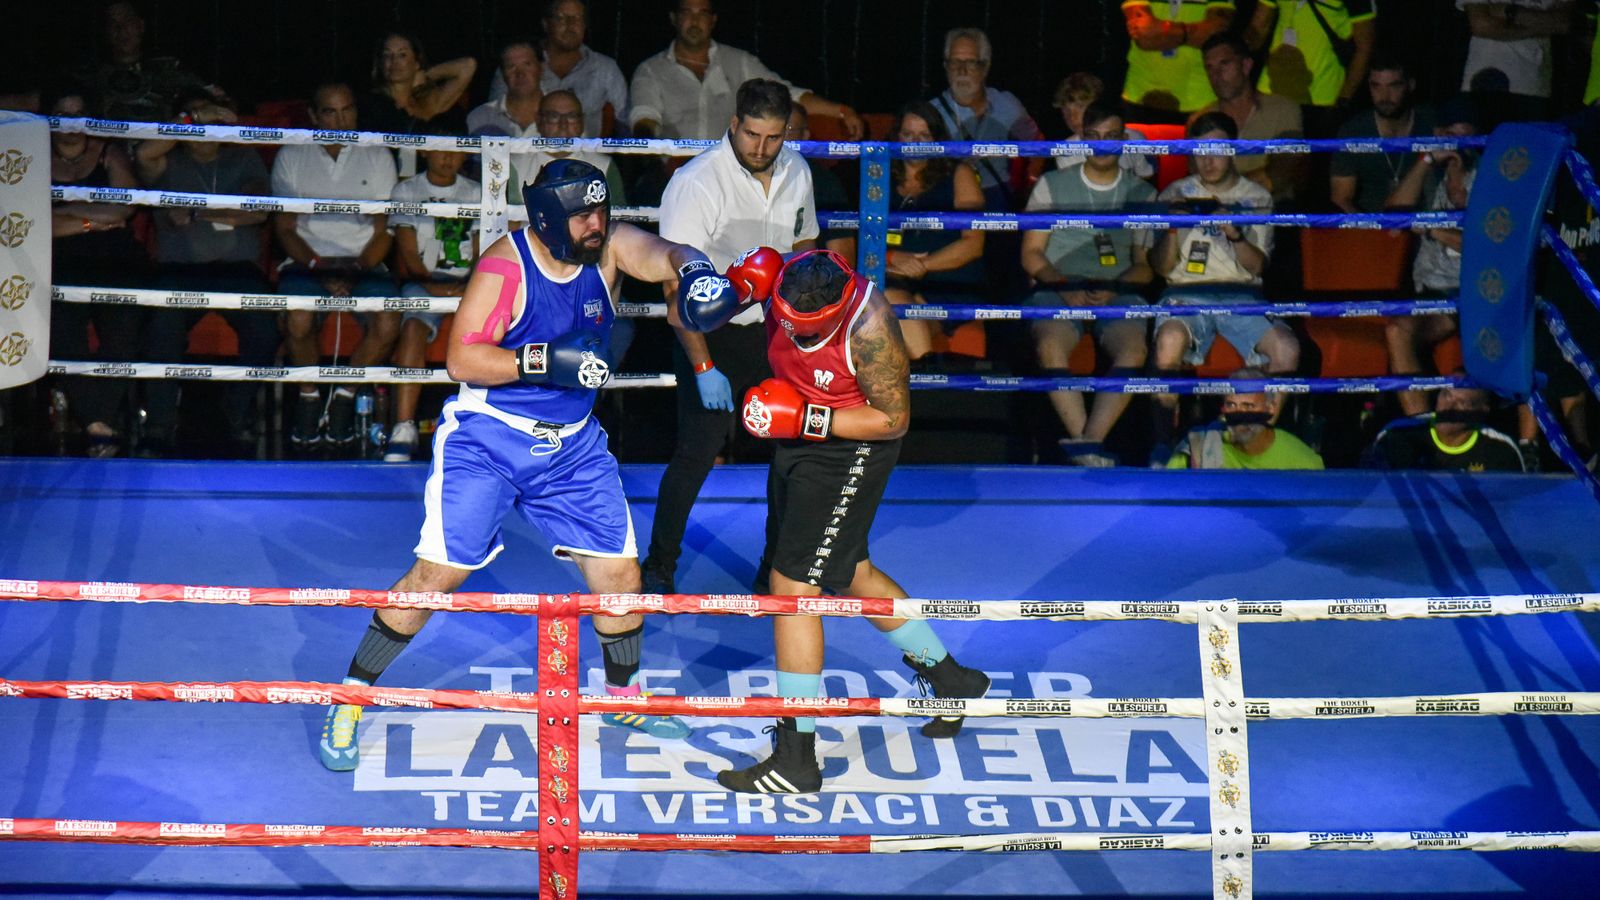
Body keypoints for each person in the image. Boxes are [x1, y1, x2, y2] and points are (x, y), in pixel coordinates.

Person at [319, 159, 715, 771]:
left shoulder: (604, 246)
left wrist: (694, 271)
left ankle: (623, 696)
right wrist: (543, 361)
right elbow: (461, 359)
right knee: (436, 578)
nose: (596, 224)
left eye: (600, 211)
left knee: (620, 577)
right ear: (549, 219)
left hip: (573, 445)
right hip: (490, 439)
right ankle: (350, 697)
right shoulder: (506, 266)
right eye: (582, 214)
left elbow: (662, 250)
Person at [677, 248, 991, 794]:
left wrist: (807, 417)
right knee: (850, 573)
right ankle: (952, 679)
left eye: (807, 332)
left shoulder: (870, 326)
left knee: (793, 586)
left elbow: (892, 420)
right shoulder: (777, 277)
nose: (796, 338)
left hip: (851, 447)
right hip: (796, 436)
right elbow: (694, 316)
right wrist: (715, 299)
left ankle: (797, 756)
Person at [638, 80, 819, 595]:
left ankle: (776, 571)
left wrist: (804, 327)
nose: (760, 149)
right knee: (696, 452)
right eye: (752, 135)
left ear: (787, 131)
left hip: (775, 334)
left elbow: (805, 242)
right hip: (711, 333)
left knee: (792, 455)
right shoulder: (696, 183)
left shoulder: (797, 171)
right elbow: (677, 286)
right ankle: (659, 567)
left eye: (773, 137)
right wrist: (702, 365)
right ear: (734, 124)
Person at [133, 89, 278, 458]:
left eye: (211, 118)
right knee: (161, 326)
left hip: (237, 272)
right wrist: (192, 120)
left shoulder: (243, 158)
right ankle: (160, 425)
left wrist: (198, 212)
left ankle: (234, 415)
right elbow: (143, 153)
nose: (204, 125)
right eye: (194, 118)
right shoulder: (167, 162)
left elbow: (257, 212)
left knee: (264, 327)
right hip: (179, 271)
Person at [1150, 112, 1298, 462]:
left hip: (1242, 294)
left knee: (1286, 348)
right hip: (1184, 293)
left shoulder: (1256, 196)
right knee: (1169, 340)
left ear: (1233, 149)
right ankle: (1162, 447)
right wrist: (1172, 229)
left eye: (1216, 149)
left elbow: (1258, 266)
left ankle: (1262, 446)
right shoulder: (1175, 193)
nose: (1208, 160)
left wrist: (1235, 232)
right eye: (1200, 150)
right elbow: (1160, 268)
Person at [1023, 103, 1156, 467]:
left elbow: (1145, 267)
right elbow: (1032, 254)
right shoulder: (1053, 184)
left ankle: (1088, 442)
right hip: (1058, 287)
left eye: (1110, 137)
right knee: (1050, 345)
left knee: (1134, 351)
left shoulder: (1143, 195)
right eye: (1093, 137)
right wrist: (1064, 287)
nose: (1101, 146)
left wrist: (1115, 289)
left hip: (1117, 292)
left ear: (1123, 140)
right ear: (1082, 139)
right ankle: (1090, 449)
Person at [271, 82, 399, 455]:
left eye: (348, 110)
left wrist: (356, 268)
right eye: (331, 112)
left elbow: (382, 231)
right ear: (313, 116)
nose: (342, 120)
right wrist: (318, 267)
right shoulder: (292, 154)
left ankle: (345, 395)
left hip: (364, 261)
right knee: (297, 316)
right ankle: (309, 398)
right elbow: (285, 228)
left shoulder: (376, 154)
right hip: (306, 259)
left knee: (389, 320)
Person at [45, 83, 148, 457]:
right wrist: (90, 221)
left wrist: (66, 213)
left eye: (78, 114)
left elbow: (123, 209)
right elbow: (33, 220)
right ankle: (99, 423)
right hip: (58, 259)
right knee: (60, 328)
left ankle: (94, 420)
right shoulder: (32, 158)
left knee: (123, 326)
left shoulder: (110, 153)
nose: (72, 123)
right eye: (63, 114)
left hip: (114, 259)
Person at [629, 0, 863, 141]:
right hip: (671, 171)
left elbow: (785, 94)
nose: (695, 20)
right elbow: (645, 120)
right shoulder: (650, 70)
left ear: (713, 20)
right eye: (687, 12)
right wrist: (654, 154)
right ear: (674, 18)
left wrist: (842, 111)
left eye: (702, 13)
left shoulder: (739, 61)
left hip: (729, 174)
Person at [383, 135, 481, 463]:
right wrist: (434, 288)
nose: (447, 157)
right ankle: (403, 427)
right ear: (425, 149)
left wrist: (472, 287)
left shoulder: (476, 192)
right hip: (421, 283)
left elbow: (485, 253)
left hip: (470, 284)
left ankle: (487, 428)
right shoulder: (407, 191)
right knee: (412, 326)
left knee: (498, 326)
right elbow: (408, 255)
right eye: (440, 148)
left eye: (455, 150)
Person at [1383, 97, 1479, 419]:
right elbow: (1392, 223)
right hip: (1433, 294)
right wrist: (1425, 159)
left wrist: (1432, 229)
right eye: (1444, 128)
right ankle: (1420, 427)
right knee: (1397, 329)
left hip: (1479, 292)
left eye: (1459, 127)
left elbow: (1490, 247)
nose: (1450, 134)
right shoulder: (1431, 176)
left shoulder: (1493, 178)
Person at [883, 102, 985, 362]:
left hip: (945, 279)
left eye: (924, 136)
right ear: (896, 136)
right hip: (892, 276)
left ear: (937, 138)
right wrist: (894, 259)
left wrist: (922, 265)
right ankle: (924, 375)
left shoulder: (958, 174)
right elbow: (861, 239)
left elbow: (973, 244)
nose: (915, 142)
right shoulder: (879, 176)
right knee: (881, 298)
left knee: (890, 307)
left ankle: (923, 376)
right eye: (908, 134)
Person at [929, 27, 1044, 211]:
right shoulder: (931, 113)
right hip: (951, 200)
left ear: (985, 66)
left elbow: (1037, 143)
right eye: (954, 62)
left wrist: (1030, 186)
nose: (962, 70)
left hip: (998, 201)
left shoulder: (1007, 105)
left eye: (971, 63)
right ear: (945, 66)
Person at [1192, 33, 1306, 205]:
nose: (1216, 74)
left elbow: (1282, 171)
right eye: (1209, 67)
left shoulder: (1282, 109)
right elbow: (1200, 182)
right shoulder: (1200, 120)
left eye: (1224, 64)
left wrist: (1225, 191)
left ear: (1246, 66)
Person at [488, 0, 629, 138]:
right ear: (546, 24)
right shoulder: (516, 63)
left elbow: (625, 121)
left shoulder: (605, 68)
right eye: (561, 18)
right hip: (525, 154)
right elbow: (493, 119)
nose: (570, 24)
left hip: (583, 156)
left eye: (577, 18)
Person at [74, 0, 222, 122]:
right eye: (113, 24)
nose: (122, 30)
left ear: (141, 26)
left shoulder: (170, 70)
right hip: (106, 154)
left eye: (128, 21)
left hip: (159, 153)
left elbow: (222, 102)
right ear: (106, 31)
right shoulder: (91, 76)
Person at [1246, 0, 1377, 134]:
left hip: (1322, 98)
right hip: (1271, 90)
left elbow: (1365, 47)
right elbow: (1259, 27)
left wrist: (1343, 100)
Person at [1330, 59, 1436, 215]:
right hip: (1369, 228)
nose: (1384, 96)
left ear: (1410, 85)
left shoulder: (1430, 125)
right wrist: (1372, 231)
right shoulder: (1354, 132)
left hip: (1424, 225)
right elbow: (1341, 199)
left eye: (1394, 86)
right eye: (1376, 86)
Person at [366, 31, 476, 176]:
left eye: (402, 54)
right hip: (388, 181)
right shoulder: (372, 104)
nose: (394, 61)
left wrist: (427, 74)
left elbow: (468, 66)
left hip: (429, 184)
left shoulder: (429, 101)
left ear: (416, 61)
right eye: (387, 55)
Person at [1166, 372, 1325, 469]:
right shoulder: (1197, 447)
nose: (1239, 415)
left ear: (1271, 408)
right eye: (1231, 405)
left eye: (1248, 406)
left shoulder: (1304, 463)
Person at [1459, 0, 1576, 121]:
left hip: (1535, 86)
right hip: (1484, 84)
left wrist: (1509, 12)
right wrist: (1541, 25)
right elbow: (1482, 25)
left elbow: (1565, 22)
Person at [1370, 382, 1527, 472]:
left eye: (1462, 403)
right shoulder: (1396, 435)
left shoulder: (1501, 451)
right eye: (1446, 395)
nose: (1448, 407)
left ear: (1481, 411)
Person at [1120, 0, 1235, 120]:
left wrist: (1162, 28)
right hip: (1139, 98)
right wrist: (1191, 33)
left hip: (1201, 102)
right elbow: (1143, 35)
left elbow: (1215, 35)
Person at [1051, 72, 1154, 180]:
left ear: (1099, 104)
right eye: (1066, 110)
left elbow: (1147, 179)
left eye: (1080, 107)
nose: (1072, 117)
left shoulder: (1135, 139)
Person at [469, 40, 544, 144]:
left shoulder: (563, 114)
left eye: (527, 65)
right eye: (511, 67)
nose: (520, 74)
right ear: (502, 74)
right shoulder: (481, 117)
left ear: (541, 68)